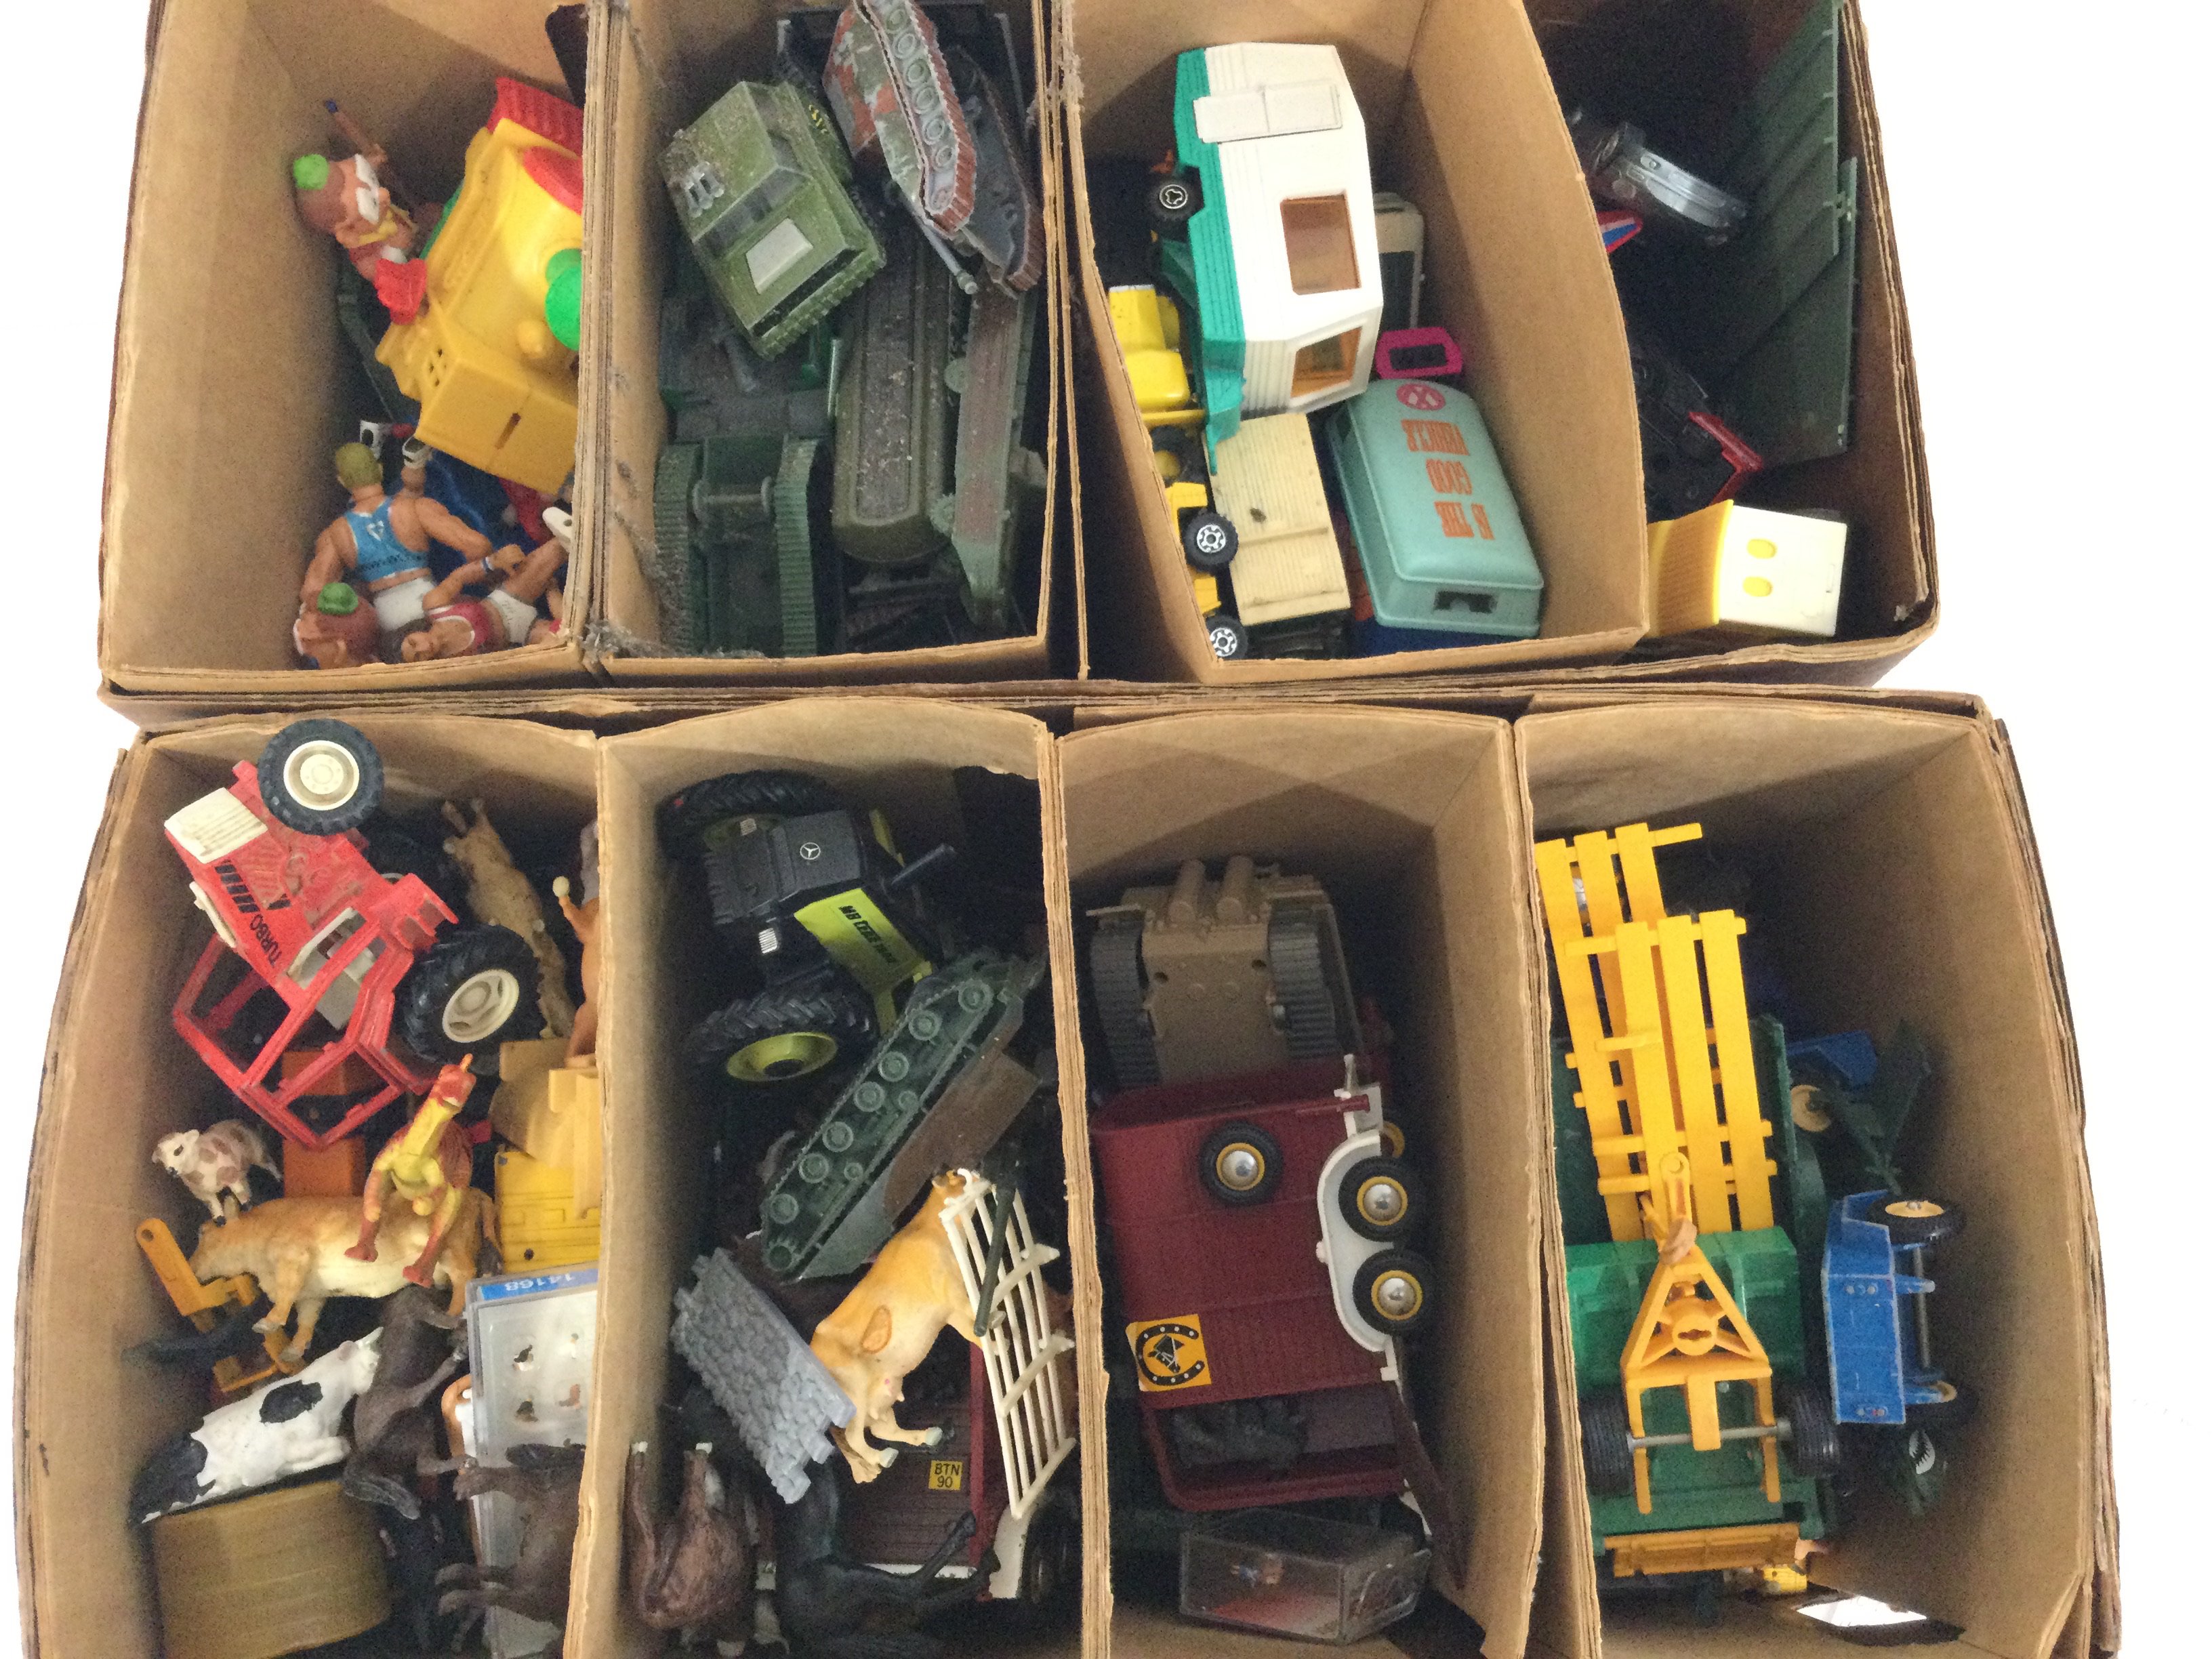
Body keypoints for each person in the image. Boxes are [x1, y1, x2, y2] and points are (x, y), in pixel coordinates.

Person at [300, 443, 502, 651]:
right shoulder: (414, 508)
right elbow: (478, 546)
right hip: (433, 604)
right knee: (490, 619)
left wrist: (355, 600)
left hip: (388, 621)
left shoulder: (335, 534)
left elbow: (312, 593)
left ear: (342, 481)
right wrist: (490, 581)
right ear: (380, 470)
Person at [396, 508, 573, 661]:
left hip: (509, 597)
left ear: (414, 632)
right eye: (418, 656)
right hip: (523, 634)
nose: (423, 648)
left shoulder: (435, 607)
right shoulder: (453, 665)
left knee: (560, 544)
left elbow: (458, 578)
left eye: (414, 643)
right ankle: (554, 593)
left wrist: (492, 562)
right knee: (565, 640)